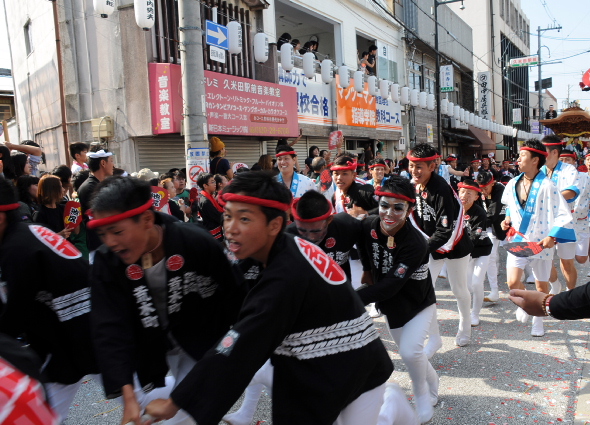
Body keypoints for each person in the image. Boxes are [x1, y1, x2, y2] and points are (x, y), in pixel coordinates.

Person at [144, 171, 394, 425]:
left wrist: (176, 402)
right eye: (228, 216)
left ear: (274, 225)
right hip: (323, 367)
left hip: (354, 368)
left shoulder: (285, 276)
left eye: (244, 218)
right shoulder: (282, 245)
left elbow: (239, 345)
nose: (231, 228)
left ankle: (394, 409)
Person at [88, 176, 244, 425]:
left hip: (201, 339)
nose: (110, 242)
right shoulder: (107, 262)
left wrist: (229, 355)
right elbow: (108, 326)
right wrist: (128, 394)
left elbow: (237, 300)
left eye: (117, 232)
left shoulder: (196, 243)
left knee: (187, 413)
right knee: (151, 405)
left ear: (147, 219)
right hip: (150, 342)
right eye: (103, 233)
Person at [0, 176, 98, 421]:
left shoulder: (16, 248)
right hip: (82, 325)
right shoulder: (28, 233)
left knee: (142, 398)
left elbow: (17, 311)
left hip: (77, 332)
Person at [357, 176, 438, 423]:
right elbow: (362, 242)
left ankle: (421, 395)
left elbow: (391, 285)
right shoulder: (368, 225)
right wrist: (367, 269)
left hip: (419, 303)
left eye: (398, 208)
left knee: (410, 352)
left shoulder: (416, 243)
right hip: (392, 306)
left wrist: (351, 298)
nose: (389, 213)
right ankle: (434, 384)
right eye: (384, 205)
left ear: (409, 210)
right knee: (412, 353)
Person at [500, 139, 575, 337]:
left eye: (522, 156)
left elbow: (563, 213)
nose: (517, 159)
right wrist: (507, 219)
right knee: (512, 282)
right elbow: (509, 206)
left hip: (541, 243)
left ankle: (538, 322)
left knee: (541, 286)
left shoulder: (548, 185)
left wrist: (552, 236)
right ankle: (526, 303)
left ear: (535, 160)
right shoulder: (513, 183)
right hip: (518, 240)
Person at [408, 143, 473, 356]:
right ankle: (434, 337)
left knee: (459, 289)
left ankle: (465, 325)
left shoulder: (441, 189)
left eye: (419, 167)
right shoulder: (414, 185)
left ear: (432, 166)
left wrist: (420, 250)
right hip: (430, 245)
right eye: (411, 166)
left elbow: (445, 231)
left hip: (454, 244)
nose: (414, 171)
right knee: (424, 290)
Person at [286, 190, 364, 280]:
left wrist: (367, 269)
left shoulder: (347, 225)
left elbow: (365, 239)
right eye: (302, 230)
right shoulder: (286, 237)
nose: (310, 237)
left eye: (316, 231)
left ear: (329, 220)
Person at [557, 150, 590, 285]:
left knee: (581, 259)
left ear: (574, 162)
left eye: (567, 160)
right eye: (561, 160)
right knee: (565, 260)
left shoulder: (584, 178)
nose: (564, 163)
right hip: (562, 224)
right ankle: (566, 289)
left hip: (581, 223)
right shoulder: (553, 177)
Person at [539, 136, 581, 295]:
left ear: (554, 152)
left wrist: (549, 198)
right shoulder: (538, 170)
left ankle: (571, 295)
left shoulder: (569, 170)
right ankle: (555, 285)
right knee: (544, 261)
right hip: (543, 223)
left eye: (543, 151)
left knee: (567, 263)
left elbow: (572, 192)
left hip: (565, 222)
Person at [457, 180, 492, 326]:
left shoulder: (479, 213)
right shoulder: (454, 209)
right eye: (462, 192)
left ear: (477, 197)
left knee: (477, 282)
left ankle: (475, 314)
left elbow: (474, 237)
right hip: (465, 254)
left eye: (469, 193)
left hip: (482, 250)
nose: (464, 196)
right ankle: (466, 311)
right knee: (467, 285)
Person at [77, 149, 114, 256]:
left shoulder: (99, 184)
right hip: (98, 245)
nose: (113, 165)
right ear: (103, 163)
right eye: (111, 161)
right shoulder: (90, 187)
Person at [476, 171, 506, 302]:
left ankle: (530, 274)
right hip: (489, 226)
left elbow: (493, 212)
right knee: (490, 256)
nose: (483, 192)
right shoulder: (478, 191)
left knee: (517, 254)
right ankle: (494, 291)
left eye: (485, 188)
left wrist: (479, 225)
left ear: (492, 183)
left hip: (505, 225)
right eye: (481, 189)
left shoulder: (500, 189)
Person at [196, 172, 224, 239]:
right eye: (212, 182)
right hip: (212, 234)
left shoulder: (207, 197)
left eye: (214, 181)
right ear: (205, 185)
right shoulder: (205, 201)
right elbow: (217, 217)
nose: (215, 184)